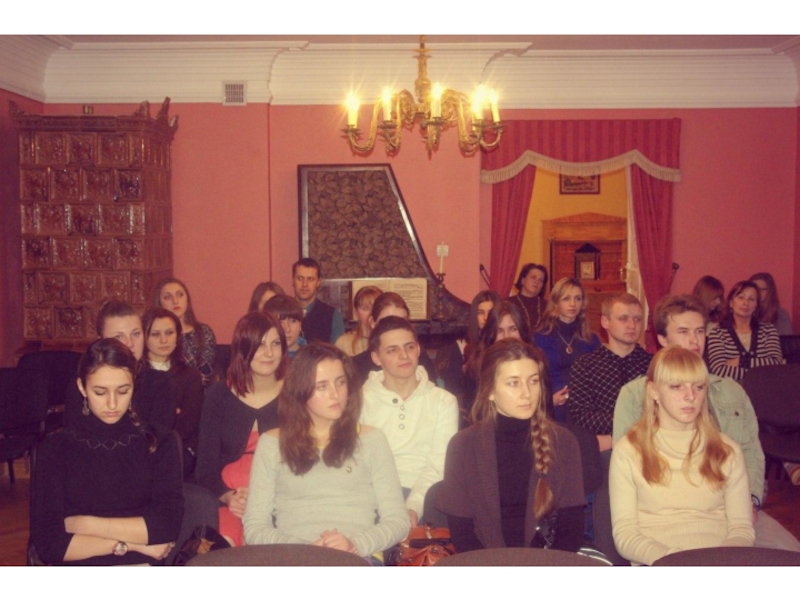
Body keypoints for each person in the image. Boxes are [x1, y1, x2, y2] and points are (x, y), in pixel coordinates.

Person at [613, 294, 800, 551]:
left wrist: (750, 500)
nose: (694, 340)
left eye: (700, 331)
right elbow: (628, 470)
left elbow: (751, 453)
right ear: (663, 339)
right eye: (683, 331)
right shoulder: (635, 394)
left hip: (733, 507)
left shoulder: (732, 390)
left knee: (790, 558)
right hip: (661, 516)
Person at [243, 343, 410, 560]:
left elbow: (398, 520)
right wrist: (303, 549)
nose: (335, 394)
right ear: (300, 391)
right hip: (293, 558)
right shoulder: (272, 444)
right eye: (322, 386)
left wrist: (355, 544)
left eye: (340, 382)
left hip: (357, 556)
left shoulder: (372, 440)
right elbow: (255, 526)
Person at [30, 338, 183, 565]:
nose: (112, 404)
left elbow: (166, 526)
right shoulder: (55, 449)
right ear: (82, 387)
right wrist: (131, 543)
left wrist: (85, 524)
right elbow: (49, 545)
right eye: (100, 392)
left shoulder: (159, 442)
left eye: (123, 391)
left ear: (134, 384)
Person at [436, 338, 585, 552]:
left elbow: (571, 531)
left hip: (548, 562)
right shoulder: (463, 446)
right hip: (484, 563)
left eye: (533, 381)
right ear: (490, 391)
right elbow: (462, 535)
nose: (527, 393)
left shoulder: (563, 442)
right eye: (514, 383)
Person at [610, 346, 755, 565]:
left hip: (720, 563)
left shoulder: (728, 450)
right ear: (653, 391)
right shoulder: (628, 451)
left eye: (698, 387)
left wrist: (718, 564)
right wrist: (677, 563)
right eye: (676, 387)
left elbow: (741, 528)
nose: (690, 396)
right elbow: (625, 535)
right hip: (660, 564)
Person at [196, 311, 287, 547]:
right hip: (230, 500)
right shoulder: (218, 396)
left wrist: (266, 499)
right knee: (225, 543)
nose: (269, 353)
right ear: (242, 349)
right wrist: (228, 496)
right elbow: (205, 467)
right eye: (260, 345)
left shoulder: (295, 394)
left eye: (275, 344)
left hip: (282, 499)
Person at [361, 316, 459, 526]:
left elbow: (439, 465)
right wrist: (390, 508)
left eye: (409, 347)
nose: (404, 355)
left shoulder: (443, 401)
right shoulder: (359, 401)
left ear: (418, 349)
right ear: (376, 358)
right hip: (372, 496)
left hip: (427, 495)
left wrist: (413, 507)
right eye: (392, 350)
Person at [63, 299, 176, 438]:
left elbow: (159, 439)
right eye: (119, 336)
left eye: (136, 334)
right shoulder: (85, 383)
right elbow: (72, 436)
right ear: (101, 340)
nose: (130, 343)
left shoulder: (161, 383)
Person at [567, 293, 651, 452]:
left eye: (637, 319)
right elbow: (581, 416)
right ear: (605, 322)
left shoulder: (653, 364)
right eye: (623, 319)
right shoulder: (585, 365)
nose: (632, 325)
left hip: (648, 446)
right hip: (604, 451)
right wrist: (630, 424)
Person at [141, 307, 204, 476]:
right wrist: (171, 412)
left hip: (178, 450)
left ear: (178, 336)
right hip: (139, 448)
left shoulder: (191, 376)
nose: (164, 340)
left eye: (169, 333)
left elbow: (187, 424)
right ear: (144, 337)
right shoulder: (135, 374)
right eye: (155, 334)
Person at [534, 278, 601, 422]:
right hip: (552, 406)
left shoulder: (591, 339)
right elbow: (534, 377)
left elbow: (598, 377)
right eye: (566, 299)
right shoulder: (540, 337)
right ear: (556, 302)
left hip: (586, 406)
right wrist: (549, 400)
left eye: (578, 299)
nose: (573, 304)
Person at [462, 299, 530, 419]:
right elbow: (472, 414)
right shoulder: (477, 366)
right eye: (499, 331)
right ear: (491, 335)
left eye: (513, 329)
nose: (506, 336)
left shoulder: (536, 362)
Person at [352, 292, 437, 385]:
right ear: (373, 323)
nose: (396, 327)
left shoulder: (419, 357)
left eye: (403, 321)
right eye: (387, 321)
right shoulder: (356, 366)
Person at [706, 280, 785, 381]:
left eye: (751, 299)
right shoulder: (717, 333)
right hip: (732, 389)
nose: (746, 303)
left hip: (765, 388)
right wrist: (759, 370)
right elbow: (719, 371)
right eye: (741, 297)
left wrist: (740, 361)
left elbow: (776, 364)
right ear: (731, 303)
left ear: (756, 306)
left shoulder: (769, 331)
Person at [435, 290, 501, 402]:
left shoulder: (503, 345)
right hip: (471, 404)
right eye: (480, 312)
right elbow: (454, 389)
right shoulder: (462, 346)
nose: (486, 318)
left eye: (490, 313)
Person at [154, 277, 217, 387]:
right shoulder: (154, 336)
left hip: (199, 391)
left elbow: (206, 374)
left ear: (187, 299)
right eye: (168, 297)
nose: (175, 301)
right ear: (159, 303)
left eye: (180, 295)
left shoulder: (203, 332)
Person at [292, 258, 345, 344]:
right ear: (293, 280)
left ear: (318, 282)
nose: (304, 284)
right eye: (300, 278)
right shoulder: (282, 313)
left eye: (310, 279)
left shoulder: (332, 316)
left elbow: (338, 351)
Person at [335, 285, 383, 357]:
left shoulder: (390, 340)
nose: (371, 313)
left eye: (375, 307)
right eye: (365, 308)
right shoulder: (344, 343)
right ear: (356, 312)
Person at [507, 263, 548, 333]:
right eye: (533, 277)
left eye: (540, 280)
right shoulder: (508, 304)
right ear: (522, 280)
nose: (536, 282)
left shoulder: (548, 306)